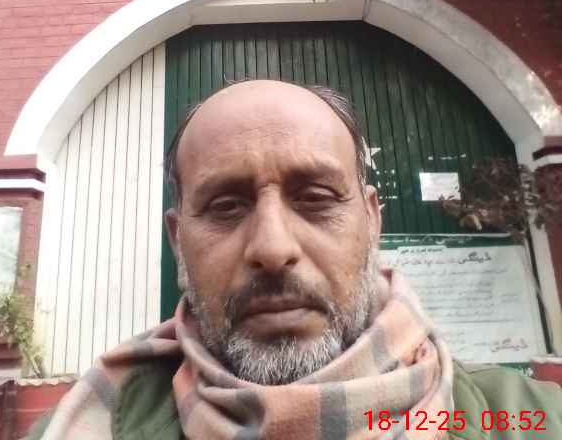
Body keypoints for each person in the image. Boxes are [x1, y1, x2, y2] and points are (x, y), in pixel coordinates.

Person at [30, 80, 561, 439]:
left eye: (316, 198)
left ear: (372, 219)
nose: (273, 248)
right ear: (177, 240)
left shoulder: (536, 418)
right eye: (225, 206)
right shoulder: (81, 426)